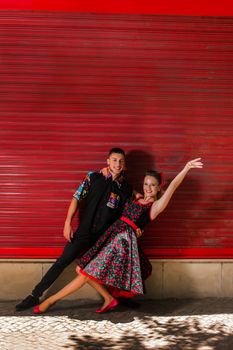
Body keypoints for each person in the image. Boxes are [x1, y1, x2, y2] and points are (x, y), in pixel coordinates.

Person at [33, 158, 203, 314]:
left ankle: (50, 301)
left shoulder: (156, 206)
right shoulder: (137, 198)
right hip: (111, 236)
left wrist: (186, 168)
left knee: (85, 273)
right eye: (145, 184)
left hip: (121, 243)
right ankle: (108, 299)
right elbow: (121, 186)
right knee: (81, 268)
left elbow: (172, 186)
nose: (148, 188)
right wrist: (105, 171)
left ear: (159, 188)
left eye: (152, 185)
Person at [16, 148, 133, 311]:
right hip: (84, 232)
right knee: (62, 262)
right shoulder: (93, 177)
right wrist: (67, 223)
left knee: (106, 267)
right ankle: (34, 296)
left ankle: (117, 298)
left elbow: (128, 212)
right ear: (108, 161)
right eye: (114, 160)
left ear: (124, 165)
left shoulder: (126, 189)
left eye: (121, 161)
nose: (117, 164)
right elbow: (76, 198)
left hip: (104, 238)